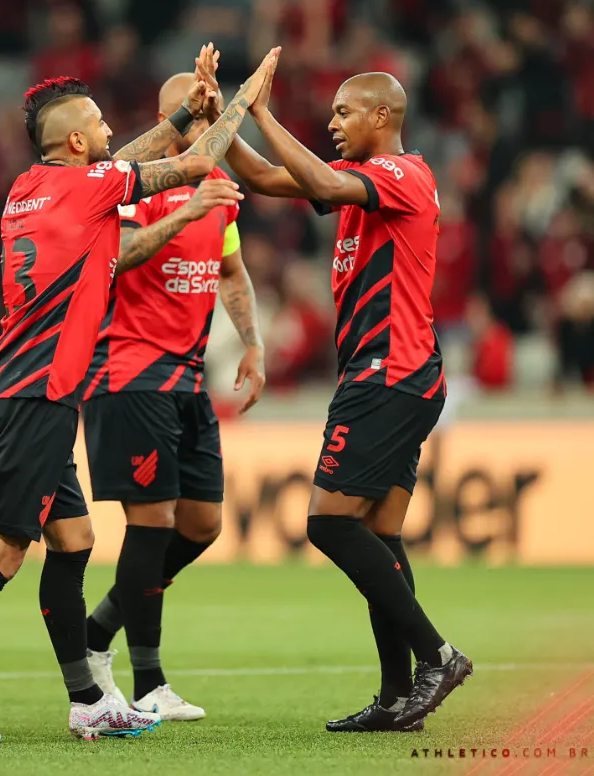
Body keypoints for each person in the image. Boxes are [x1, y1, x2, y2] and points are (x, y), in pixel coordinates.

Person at [0, 49, 278, 745]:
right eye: (100, 123)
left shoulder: (30, 186)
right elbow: (196, 164)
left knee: (73, 540)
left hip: (19, 387)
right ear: (77, 141)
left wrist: (184, 112)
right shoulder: (89, 187)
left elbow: (131, 156)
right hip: (35, 392)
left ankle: (87, 700)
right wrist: (242, 100)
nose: (112, 130)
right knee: (1, 552)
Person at [197, 46, 472, 731]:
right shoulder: (356, 182)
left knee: (327, 522)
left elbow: (315, 176)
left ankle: (438, 656)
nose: (333, 122)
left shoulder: (403, 174)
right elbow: (265, 176)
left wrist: (262, 110)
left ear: (383, 115)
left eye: (344, 112)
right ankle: (396, 697)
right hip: (394, 372)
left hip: (390, 370)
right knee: (380, 534)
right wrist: (223, 117)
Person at [81, 61, 266, 720]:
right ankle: (148, 682)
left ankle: (97, 629)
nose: (210, 122)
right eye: (198, 111)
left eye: (215, 111)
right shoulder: (133, 186)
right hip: (128, 372)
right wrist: (187, 207)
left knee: (201, 524)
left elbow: (231, 271)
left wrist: (252, 342)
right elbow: (118, 256)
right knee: (152, 522)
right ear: (169, 120)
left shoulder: (219, 189)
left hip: (186, 378)